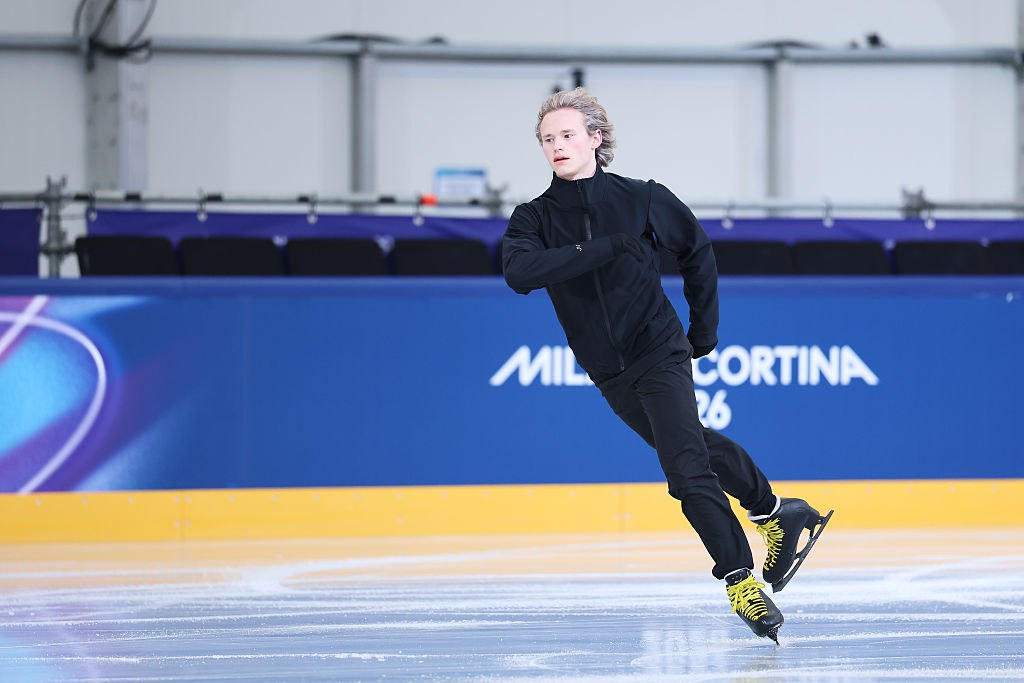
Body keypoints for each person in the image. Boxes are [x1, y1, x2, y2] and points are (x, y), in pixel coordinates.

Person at [501, 87, 832, 644]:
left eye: (567, 135)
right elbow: (520, 273)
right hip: (608, 369)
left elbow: (697, 250)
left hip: (657, 347)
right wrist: (603, 248)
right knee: (692, 446)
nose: (556, 146)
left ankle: (738, 577)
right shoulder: (533, 217)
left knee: (684, 469)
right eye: (547, 139)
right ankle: (778, 512)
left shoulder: (642, 197)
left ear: (595, 138)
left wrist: (704, 328)